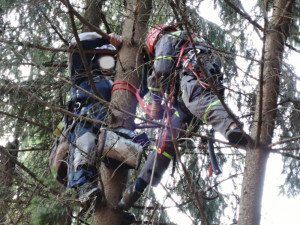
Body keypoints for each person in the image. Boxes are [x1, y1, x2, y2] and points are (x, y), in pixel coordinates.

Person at [118, 25, 248, 211]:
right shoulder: (184, 42)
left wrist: (156, 101)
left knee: (196, 98)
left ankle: (232, 127)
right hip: (187, 97)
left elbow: (160, 70)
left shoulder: (167, 38)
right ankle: (136, 189)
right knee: (167, 141)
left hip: (194, 78)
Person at [67, 32, 122, 203]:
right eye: (104, 59)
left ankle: (114, 203)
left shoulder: (115, 84)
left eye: (111, 60)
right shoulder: (81, 75)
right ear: (95, 59)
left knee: (121, 158)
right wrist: (106, 38)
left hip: (109, 128)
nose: (108, 64)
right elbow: (77, 44)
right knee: (86, 140)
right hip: (85, 120)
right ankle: (83, 186)